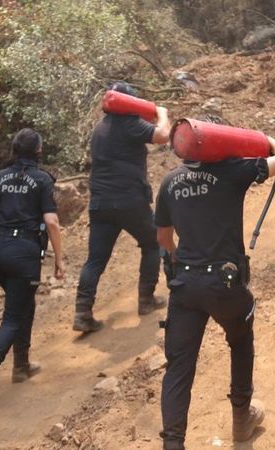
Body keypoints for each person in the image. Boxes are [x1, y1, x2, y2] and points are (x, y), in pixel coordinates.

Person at [155, 133, 275, 449]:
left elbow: (164, 239)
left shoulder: (169, 182)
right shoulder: (234, 170)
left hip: (185, 287)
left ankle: (173, 443)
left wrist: (181, 258)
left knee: (179, 367)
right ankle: (241, 420)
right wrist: (263, 139)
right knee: (240, 340)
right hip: (225, 285)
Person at [0, 128, 64, 410]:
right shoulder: (42, 179)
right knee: (14, 315)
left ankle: (21, 365)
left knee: (23, 303)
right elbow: (52, 223)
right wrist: (59, 259)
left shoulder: (0, 177)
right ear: (38, 151)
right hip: (23, 252)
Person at [72, 81, 171, 332]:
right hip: (129, 200)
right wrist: (162, 114)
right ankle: (146, 299)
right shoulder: (129, 123)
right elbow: (162, 136)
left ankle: (82, 313)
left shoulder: (100, 128)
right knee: (153, 242)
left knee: (95, 259)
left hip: (100, 203)